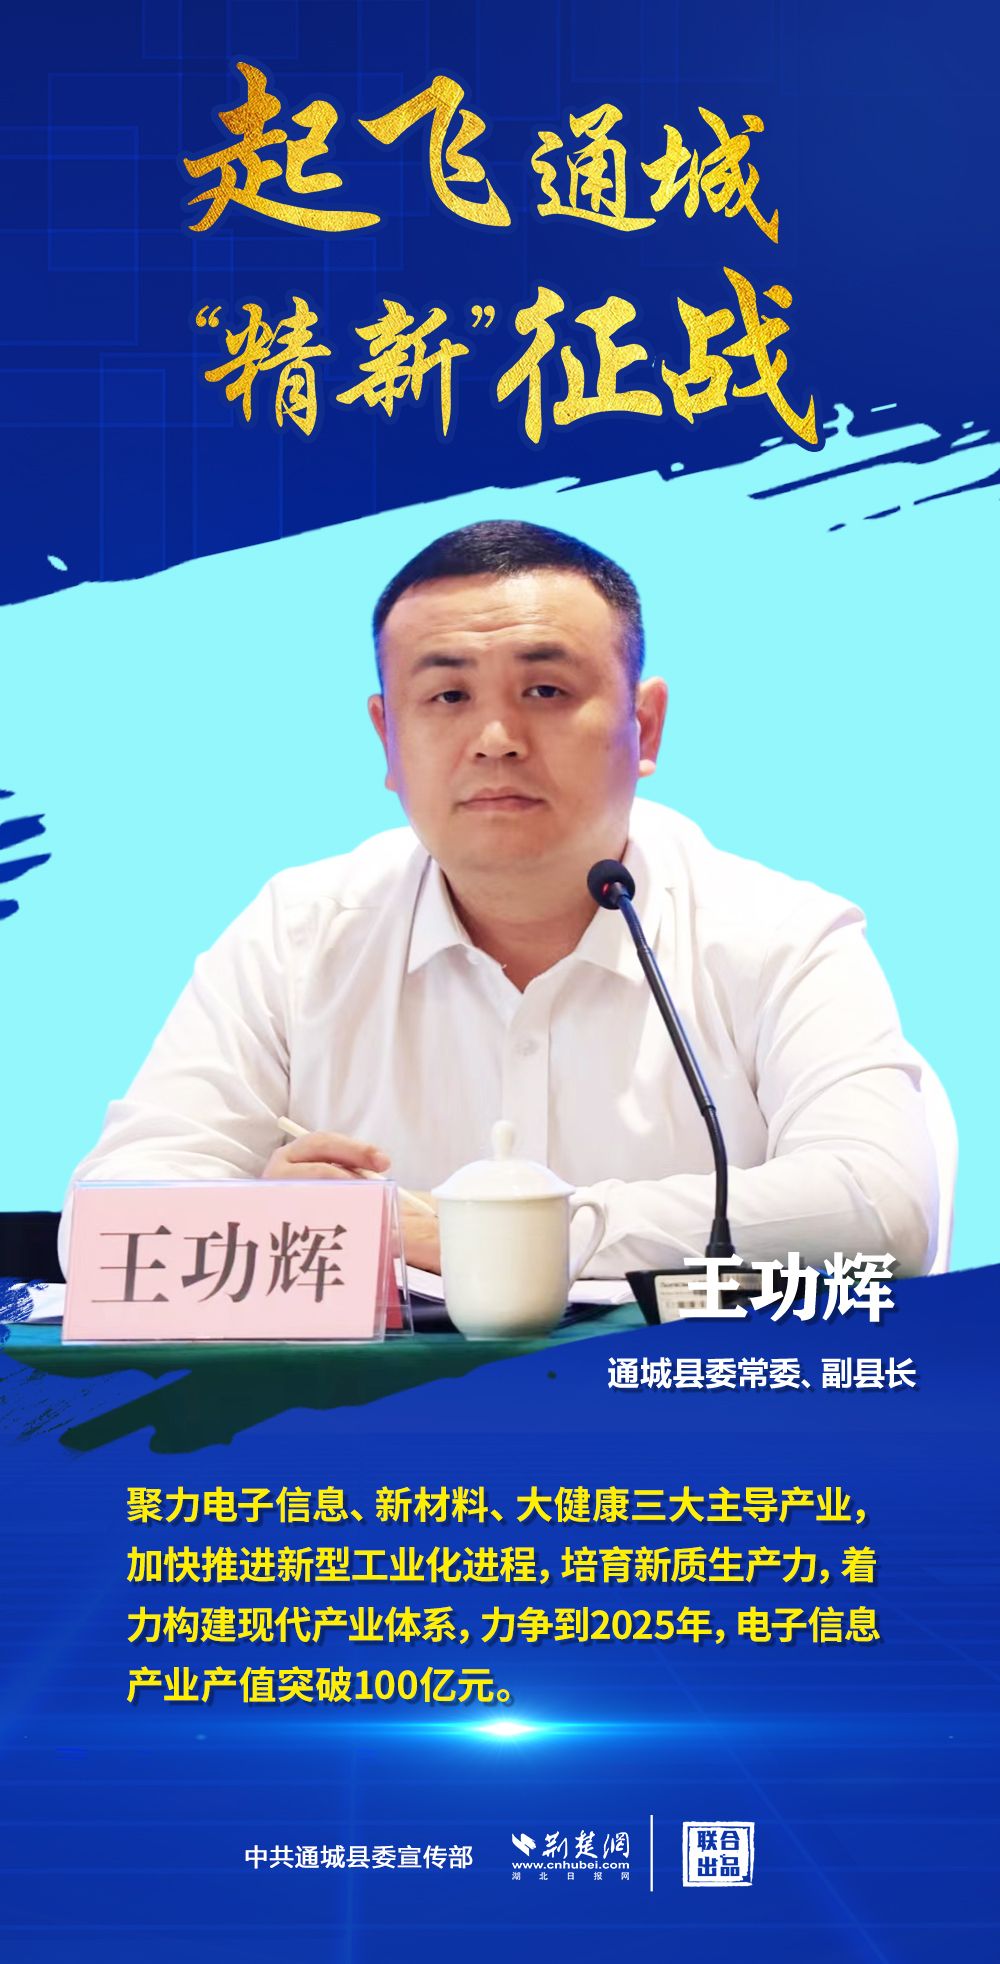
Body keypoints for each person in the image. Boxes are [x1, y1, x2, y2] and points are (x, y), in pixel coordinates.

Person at [58, 520, 939, 1281]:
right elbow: (105, 1221)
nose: (494, 739)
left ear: (644, 726)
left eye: (545, 691)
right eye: (447, 695)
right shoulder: (299, 935)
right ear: (388, 739)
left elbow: (885, 1206)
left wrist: (485, 1236)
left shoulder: (783, 936)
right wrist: (268, 1223)